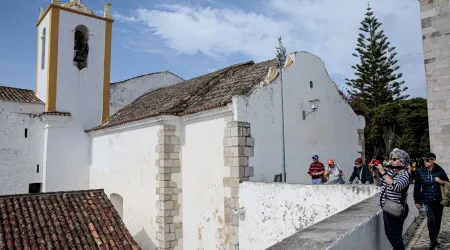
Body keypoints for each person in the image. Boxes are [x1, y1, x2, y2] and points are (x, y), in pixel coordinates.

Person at [376, 148, 411, 250]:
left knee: (395, 237)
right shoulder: (391, 172)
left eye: (395, 159)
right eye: (392, 159)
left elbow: (396, 187)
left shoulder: (405, 175)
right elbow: (379, 183)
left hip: (395, 209)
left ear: (402, 161)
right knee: (390, 234)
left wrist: (383, 172)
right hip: (387, 208)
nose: (392, 161)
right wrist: (375, 173)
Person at [414, 152, 449, 250]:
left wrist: (440, 181)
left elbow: (448, 184)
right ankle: (433, 243)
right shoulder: (420, 171)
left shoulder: (440, 171)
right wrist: (417, 201)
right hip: (427, 200)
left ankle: (434, 240)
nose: (425, 162)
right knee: (431, 221)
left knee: (437, 221)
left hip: (439, 200)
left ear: (432, 160)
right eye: (424, 160)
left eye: (427, 160)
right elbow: (417, 187)